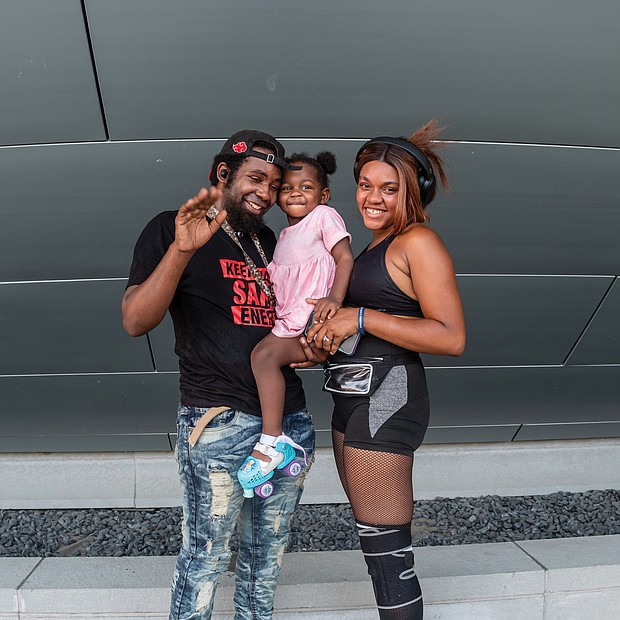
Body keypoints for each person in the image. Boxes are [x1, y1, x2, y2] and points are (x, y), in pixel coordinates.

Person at [121, 130, 315, 620]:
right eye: (255, 178)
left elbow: (283, 319)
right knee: (204, 559)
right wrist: (183, 250)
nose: (266, 194)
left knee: (262, 563)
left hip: (285, 424)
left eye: (274, 183)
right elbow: (134, 320)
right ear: (222, 174)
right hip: (217, 422)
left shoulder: (269, 239)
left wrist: (307, 347)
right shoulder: (170, 228)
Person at [304, 120, 466, 619]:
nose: (373, 198)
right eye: (366, 185)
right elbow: (360, 326)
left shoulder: (418, 242)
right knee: (373, 547)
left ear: (414, 193)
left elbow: (451, 336)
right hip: (347, 400)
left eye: (389, 189)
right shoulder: (372, 245)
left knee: (388, 556)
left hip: (388, 400)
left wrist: (360, 315)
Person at [238, 151, 354, 497]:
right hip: (291, 320)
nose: (296, 193)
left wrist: (334, 299)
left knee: (263, 358)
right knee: (263, 358)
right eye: (287, 188)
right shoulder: (283, 237)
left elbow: (344, 257)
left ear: (324, 194)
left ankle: (272, 441)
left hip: (313, 318)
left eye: (306, 186)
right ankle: (277, 441)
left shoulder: (323, 217)